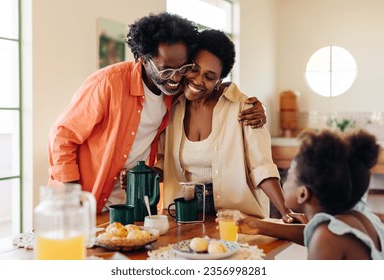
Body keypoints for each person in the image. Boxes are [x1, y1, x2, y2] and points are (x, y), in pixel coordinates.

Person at [47, 12, 265, 213]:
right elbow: (62, 136)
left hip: (136, 204)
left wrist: (250, 105)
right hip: (86, 202)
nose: (176, 78)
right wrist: (72, 196)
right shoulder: (108, 84)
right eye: (166, 70)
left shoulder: (175, 93)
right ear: (143, 58)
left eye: (182, 69)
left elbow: (212, 86)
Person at [155, 29, 296, 223]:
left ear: (219, 81)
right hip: (184, 212)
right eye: (194, 69)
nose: (198, 80)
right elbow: (162, 161)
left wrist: (285, 210)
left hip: (235, 214)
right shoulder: (171, 106)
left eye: (209, 76)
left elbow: (262, 166)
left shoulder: (243, 107)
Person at [241, 129, 384, 260]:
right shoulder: (361, 216)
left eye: (289, 176)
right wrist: (258, 226)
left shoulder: (327, 238)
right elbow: (310, 231)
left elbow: (321, 235)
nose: (284, 180)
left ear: (303, 194)